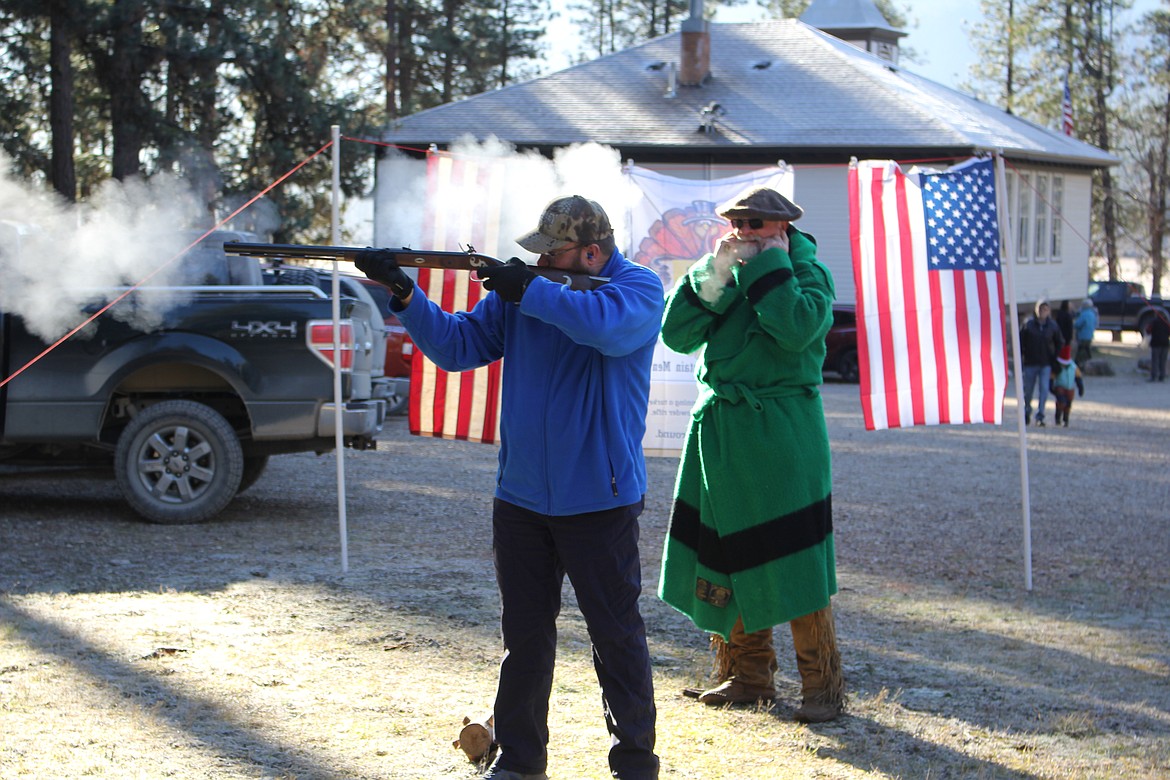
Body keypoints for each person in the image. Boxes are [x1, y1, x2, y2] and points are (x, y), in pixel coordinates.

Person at [355, 196, 665, 780]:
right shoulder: (530, 291)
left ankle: (634, 765)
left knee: (616, 639)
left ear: (592, 253)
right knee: (524, 639)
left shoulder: (638, 289)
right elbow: (454, 347)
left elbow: (605, 330)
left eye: (553, 252)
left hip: (600, 499)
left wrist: (526, 288)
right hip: (521, 498)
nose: (541, 260)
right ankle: (520, 763)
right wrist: (404, 293)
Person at [657, 186, 845, 724]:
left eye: (757, 224)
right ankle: (749, 674)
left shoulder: (808, 273)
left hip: (783, 434)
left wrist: (770, 270)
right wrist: (713, 278)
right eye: (738, 222)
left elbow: (796, 330)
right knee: (725, 554)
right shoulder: (721, 269)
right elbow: (675, 335)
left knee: (796, 561)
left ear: (782, 228)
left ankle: (821, 686)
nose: (744, 232)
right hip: (722, 432)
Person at [1019, 299, 1064, 427]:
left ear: (1049, 311)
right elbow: (1020, 341)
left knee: (1044, 389)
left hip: (1046, 363)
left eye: (1045, 309)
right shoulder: (1029, 325)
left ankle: (1040, 415)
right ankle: (1026, 411)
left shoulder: (1053, 326)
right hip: (1030, 362)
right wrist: (1023, 354)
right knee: (1028, 390)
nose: (1042, 312)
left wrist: (1055, 356)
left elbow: (1059, 341)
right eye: (1040, 309)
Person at [1051, 344, 1085, 427]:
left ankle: (1066, 419)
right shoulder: (1057, 367)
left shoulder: (1073, 367)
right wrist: (1052, 388)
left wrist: (1080, 387)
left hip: (1070, 388)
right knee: (1061, 402)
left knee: (1068, 404)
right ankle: (1058, 417)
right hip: (1060, 387)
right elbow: (1051, 378)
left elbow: (1078, 378)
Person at [1144, 308, 1170, 382]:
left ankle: (1154, 376)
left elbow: (1148, 331)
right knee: (1163, 361)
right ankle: (1162, 376)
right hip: (1165, 344)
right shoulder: (1167, 323)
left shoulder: (1153, 322)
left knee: (1155, 360)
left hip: (1156, 344)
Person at [1073, 297, 1098, 365]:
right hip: (1090, 335)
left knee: (1080, 351)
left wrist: (1074, 323)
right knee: (1087, 350)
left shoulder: (1084, 314)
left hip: (1083, 336)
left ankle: (1076, 364)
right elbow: (1095, 324)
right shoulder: (1093, 314)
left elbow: (1078, 324)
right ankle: (1089, 363)